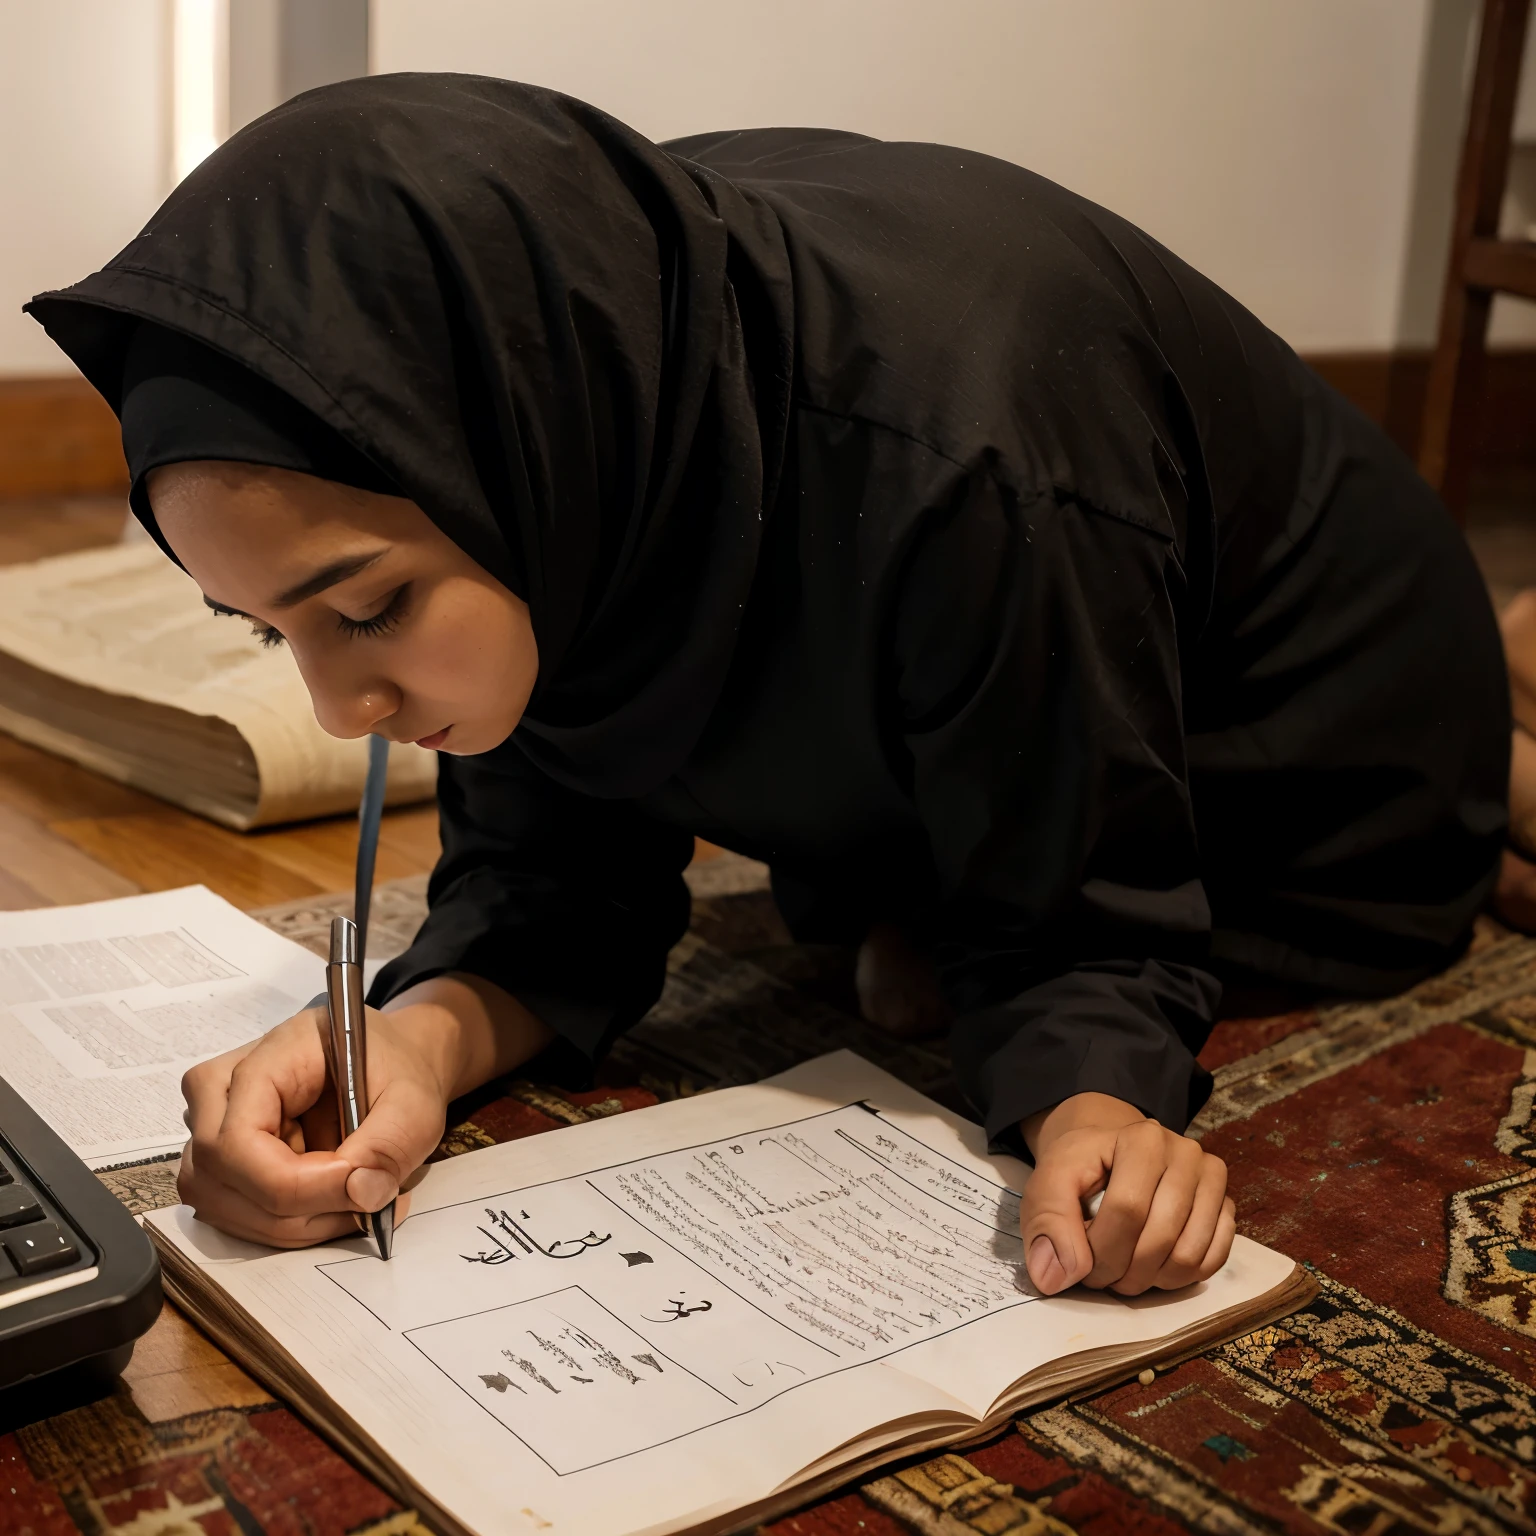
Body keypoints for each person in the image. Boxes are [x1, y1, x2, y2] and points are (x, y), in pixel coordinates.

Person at [28, 75, 1509, 1300]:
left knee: (955, 967)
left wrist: (1094, 1103)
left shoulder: (966, 464)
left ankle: (1493, 736)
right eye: (264, 626)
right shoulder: (581, 397)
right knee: (889, 957)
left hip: (1307, 740)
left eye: (366, 607)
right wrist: (412, 1041)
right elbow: (555, 884)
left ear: (535, 454)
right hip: (1042, 649)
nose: (342, 704)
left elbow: (1084, 908)